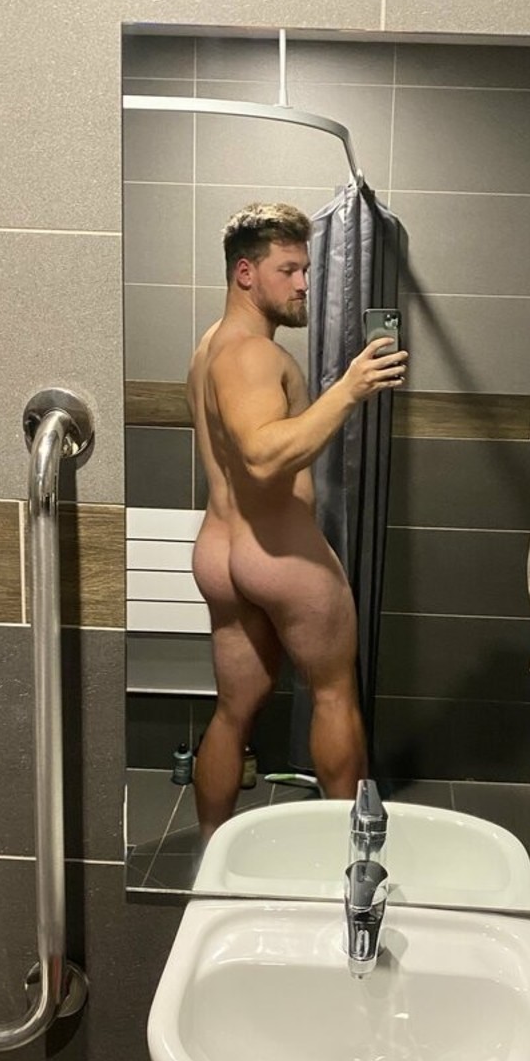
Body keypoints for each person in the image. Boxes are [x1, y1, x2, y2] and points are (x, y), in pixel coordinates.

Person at [185, 202, 408, 843]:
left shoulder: (207, 349)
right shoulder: (251, 354)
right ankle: (351, 857)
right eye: (288, 270)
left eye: (307, 269)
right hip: (278, 552)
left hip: (221, 551)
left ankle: (209, 856)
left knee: (233, 713)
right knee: (335, 694)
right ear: (245, 273)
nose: (304, 283)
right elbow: (261, 455)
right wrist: (350, 389)